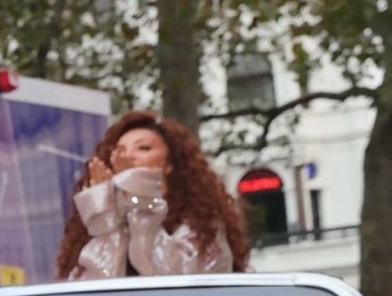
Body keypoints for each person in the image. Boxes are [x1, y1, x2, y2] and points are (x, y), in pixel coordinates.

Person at [56, 111, 251, 280]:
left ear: (169, 164)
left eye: (143, 148)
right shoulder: (100, 222)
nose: (128, 156)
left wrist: (139, 193)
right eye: (120, 151)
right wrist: (104, 217)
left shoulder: (202, 223)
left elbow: (175, 279)